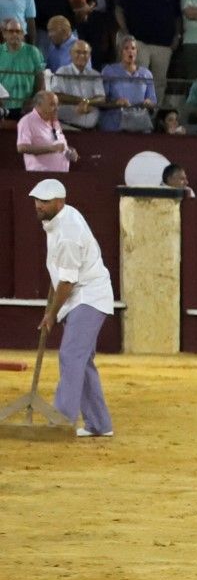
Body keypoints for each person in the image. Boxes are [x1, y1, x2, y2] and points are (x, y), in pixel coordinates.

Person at [30, 179, 114, 438]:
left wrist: (51, 315)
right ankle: (99, 424)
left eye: (44, 201)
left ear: (59, 202)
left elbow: (68, 281)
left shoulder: (67, 232)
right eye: (36, 200)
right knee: (82, 360)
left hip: (87, 296)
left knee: (71, 355)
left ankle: (61, 421)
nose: (38, 205)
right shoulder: (62, 218)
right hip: (82, 295)